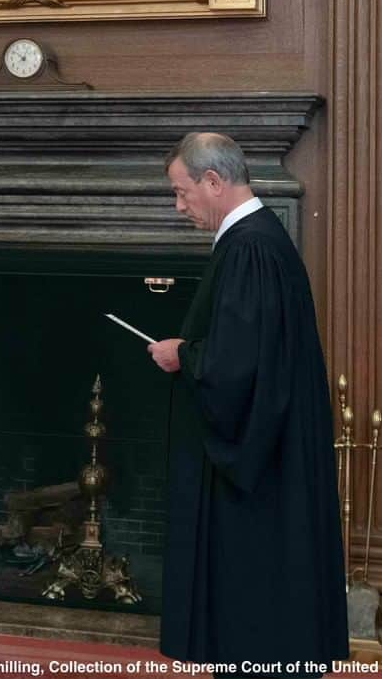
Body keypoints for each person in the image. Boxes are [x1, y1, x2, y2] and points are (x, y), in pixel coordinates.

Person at [148, 132, 348, 677]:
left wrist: (182, 354)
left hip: (260, 470)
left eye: (181, 191)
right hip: (274, 452)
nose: (179, 205)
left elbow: (235, 368)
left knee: (256, 608)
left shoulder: (250, 247)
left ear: (214, 181)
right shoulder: (258, 240)